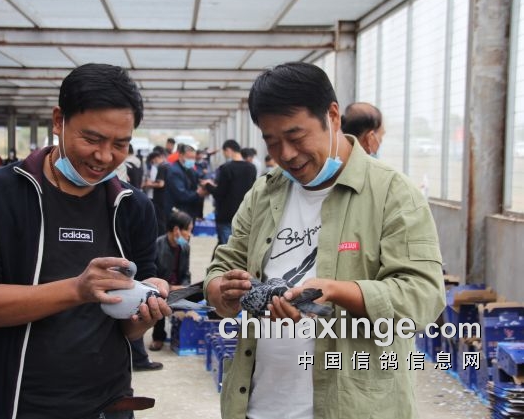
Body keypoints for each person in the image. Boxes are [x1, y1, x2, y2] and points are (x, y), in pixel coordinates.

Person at [203, 62, 445, 419]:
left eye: (296, 137)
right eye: (272, 142)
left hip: (356, 409)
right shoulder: (264, 194)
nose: (286, 154)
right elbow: (221, 269)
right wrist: (223, 290)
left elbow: (423, 297)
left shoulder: (392, 193)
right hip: (259, 407)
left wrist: (335, 291)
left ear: (332, 116)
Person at [0, 63, 172, 419]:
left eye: (120, 144)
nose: (105, 157)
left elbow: (128, 328)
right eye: (92, 139)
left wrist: (147, 309)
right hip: (14, 404)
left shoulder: (133, 206)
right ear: (59, 121)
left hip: (106, 406)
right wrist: (77, 289)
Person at [149, 210, 194, 351]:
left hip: (178, 287)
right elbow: (152, 276)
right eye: (188, 230)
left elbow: (186, 272)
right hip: (160, 288)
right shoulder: (157, 246)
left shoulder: (185, 247)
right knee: (160, 298)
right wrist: (170, 287)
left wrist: (186, 287)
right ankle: (158, 337)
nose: (190, 234)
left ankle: (181, 333)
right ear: (176, 230)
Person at [201, 139, 257, 245]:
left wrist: (208, 185)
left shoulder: (226, 168)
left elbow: (219, 193)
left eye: (224, 153)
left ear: (228, 150)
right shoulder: (251, 168)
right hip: (244, 216)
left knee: (226, 248)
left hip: (226, 216)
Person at [165, 143, 207, 221]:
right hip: (179, 213)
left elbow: (199, 177)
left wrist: (206, 181)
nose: (192, 160)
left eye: (194, 158)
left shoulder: (189, 169)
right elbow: (181, 195)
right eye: (189, 157)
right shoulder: (175, 171)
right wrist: (198, 193)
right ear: (181, 156)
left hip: (189, 211)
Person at [142, 151, 167, 236]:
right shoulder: (168, 165)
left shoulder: (161, 167)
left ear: (156, 159)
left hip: (159, 198)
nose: (153, 164)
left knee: (159, 221)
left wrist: (148, 184)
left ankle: (160, 237)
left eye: (153, 162)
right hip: (165, 198)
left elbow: (161, 184)